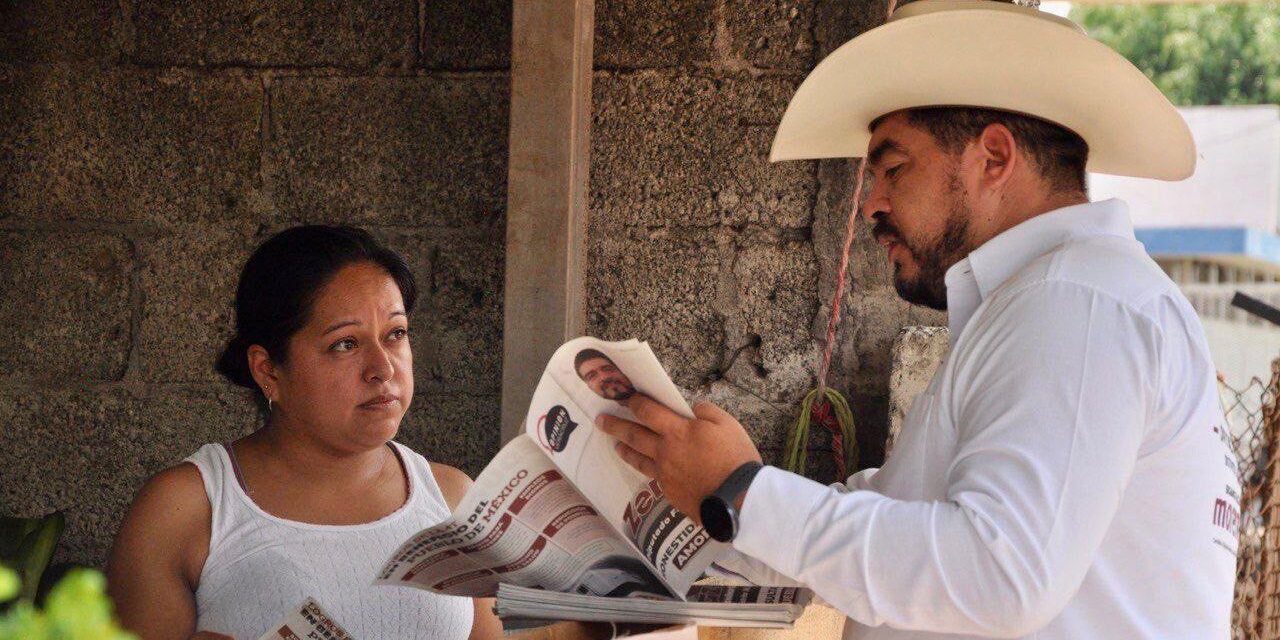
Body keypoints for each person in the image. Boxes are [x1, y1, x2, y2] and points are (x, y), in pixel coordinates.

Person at [594, 1, 1238, 638]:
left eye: (893, 167)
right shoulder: (1063, 300)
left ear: (993, 158)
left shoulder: (1077, 300)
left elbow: (999, 575)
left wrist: (743, 490)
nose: (872, 203)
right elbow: (894, 525)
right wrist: (708, 487)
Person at [107, 226, 613, 640]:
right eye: (345, 344)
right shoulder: (188, 508)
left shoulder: (453, 497)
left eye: (395, 334)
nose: (383, 367)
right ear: (268, 370)